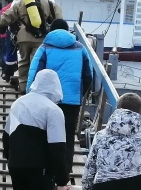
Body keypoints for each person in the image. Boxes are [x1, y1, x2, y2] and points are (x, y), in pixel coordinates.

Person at [2, 69, 69, 190]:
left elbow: (6, 137)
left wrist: (10, 159)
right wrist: (62, 181)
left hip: (16, 164)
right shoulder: (53, 110)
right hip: (40, 168)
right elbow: (57, 149)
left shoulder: (18, 103)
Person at [26, 19, 92, 172]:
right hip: (72, 102)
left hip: (47, 100)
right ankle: (65, 172)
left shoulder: (44, 48)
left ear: (51, 31)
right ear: (68, 31)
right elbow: (88, 76)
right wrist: (80, 94)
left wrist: (29, 94)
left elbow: (34, 73)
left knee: (45, 134)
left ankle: (46, 171)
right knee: (68, 137)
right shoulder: (80, 48)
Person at [0, 0, 62, 93]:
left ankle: (22, 87)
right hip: (40, 38)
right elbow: (59, 18)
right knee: (35, 63)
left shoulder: (20, 3)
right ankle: (34, 89)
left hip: (22, 38)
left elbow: (6, 17)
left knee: (23, 63)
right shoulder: (48, 3)